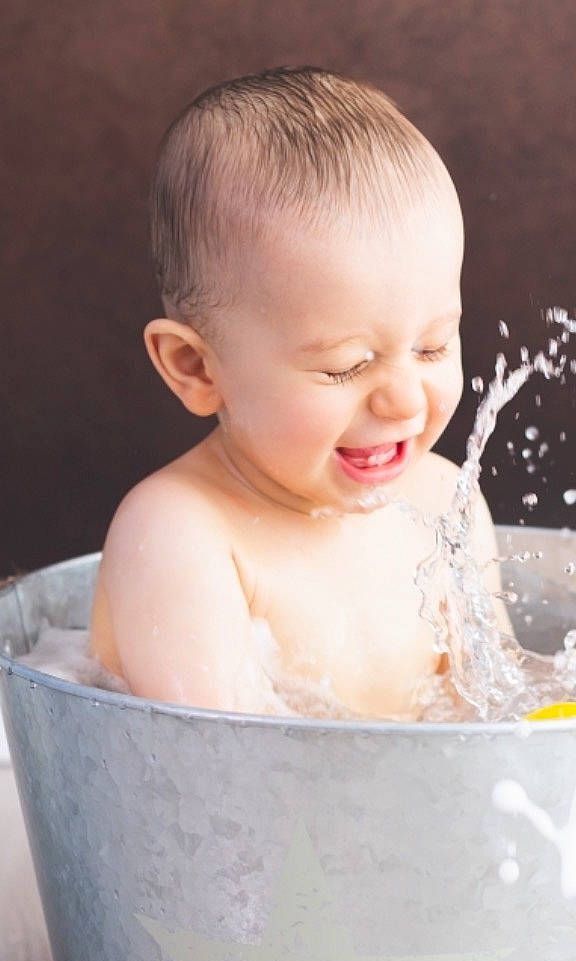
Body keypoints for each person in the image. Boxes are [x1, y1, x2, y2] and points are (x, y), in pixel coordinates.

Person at [88, 67, 503, 720]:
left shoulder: (443, 502)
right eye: (345, 366)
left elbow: (487, 718)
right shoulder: (181, 531)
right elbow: (214, 773)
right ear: (196, 366)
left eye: (433, 347)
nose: (402, 400)